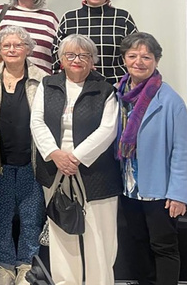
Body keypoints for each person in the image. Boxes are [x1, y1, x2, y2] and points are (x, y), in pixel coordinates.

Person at [31, 34, 121, 285]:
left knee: (99, 235)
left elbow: (108, 129)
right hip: (55, 170)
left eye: (84, 55)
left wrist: (77, 158)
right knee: (62, 234)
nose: (77, 60)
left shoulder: (105, 89)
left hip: (96, 173)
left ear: (93, 60)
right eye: (70, 55)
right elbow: (36, 122)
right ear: (60, 59)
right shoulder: (48, 84)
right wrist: (55, 154)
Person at [116, 33, 187, 285]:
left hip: (160, 191)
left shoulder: (170, 100)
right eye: (133, 56)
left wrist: (178, 194)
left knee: (163, 246)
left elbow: (181, 151)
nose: (139, 61)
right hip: (130, 189)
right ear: (124, 59)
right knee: (137, 242)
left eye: (146, 56)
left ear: (156, 61)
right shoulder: (118, 95)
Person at [0, 27, 46, 285]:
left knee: (31, 216)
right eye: (6, 46)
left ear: (28, 48)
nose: (12, 50)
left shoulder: (42, 79)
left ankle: (27, 268)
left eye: (18, 45)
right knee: (1, 216)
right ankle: (5, 267)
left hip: (32, 160)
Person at [55, 0, 138, 85]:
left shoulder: (122, 18)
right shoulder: (69, 18)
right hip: (77, 87)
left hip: (115, 86)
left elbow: (135, 53)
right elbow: (56, 55)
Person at [0, 0, 59, 74]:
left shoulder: (50, 17)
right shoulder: (2, 12)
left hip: (42, 81)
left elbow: (58, 52)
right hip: (5, 81)